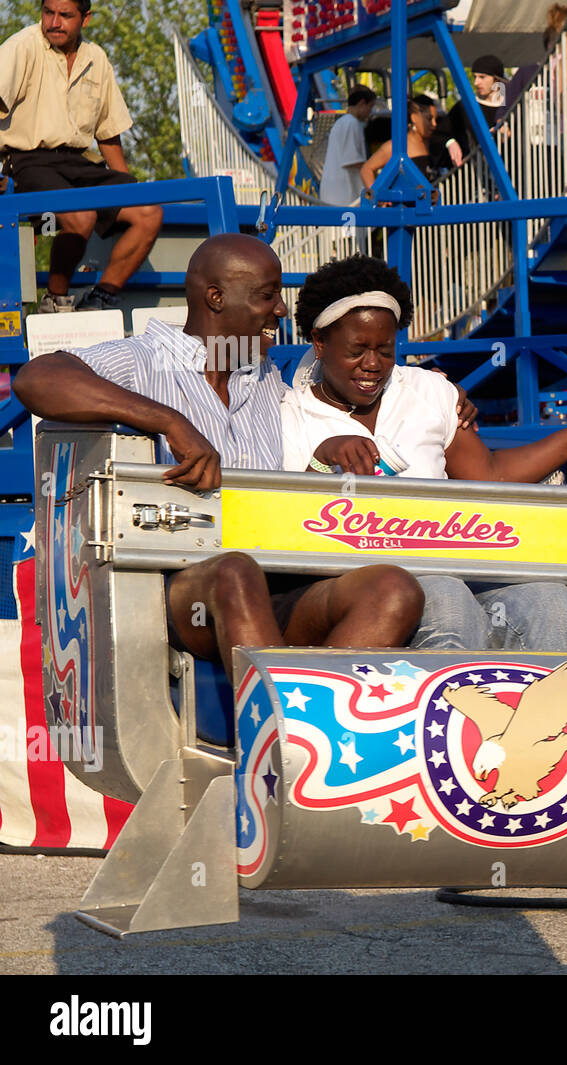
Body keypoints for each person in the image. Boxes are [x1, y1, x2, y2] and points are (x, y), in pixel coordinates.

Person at [13, 233, 424, 679]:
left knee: (393, 587)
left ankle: (316, 724)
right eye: (268, 296)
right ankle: (274, 728)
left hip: (274, 582)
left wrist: (436, 400)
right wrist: (169, 420)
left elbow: (333, 405)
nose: (281, 310)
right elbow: (38, 378)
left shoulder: (265, 376)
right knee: (234, 571)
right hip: (178, 590)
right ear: (216, 297)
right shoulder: (146, 359)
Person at [281, 254, 567, 652]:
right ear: (319, 343)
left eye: (385, 350)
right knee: (448, 601)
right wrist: (322, 458)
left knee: (553, 602)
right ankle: (451, 711)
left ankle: (560, 708)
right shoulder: (291, 414)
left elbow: (489, 475)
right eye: (357, 350)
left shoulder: (428, 391)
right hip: (370, 585)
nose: (372, 365)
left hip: (457, 563)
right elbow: (286, 528)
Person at [0, 0, 163, 312]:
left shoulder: (96, 58)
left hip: (77, 164)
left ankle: (101, 297)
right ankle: (56, 299)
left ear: (85, 18)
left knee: (148, 211)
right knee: (81, 214)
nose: (55, 22)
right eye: (49, 12)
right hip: (25, 161)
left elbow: (108, 133)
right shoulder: (22, 46)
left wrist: (128, 190)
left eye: (65, 15)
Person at [360, 94, 460, 194]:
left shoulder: (435, 142)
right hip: (403, 208)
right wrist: (378, 198)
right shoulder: (395, 146)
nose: (434, 124)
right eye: (429, 118)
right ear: (414, 118)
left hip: (434, 206)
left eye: (436, 119)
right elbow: (366, 169)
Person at [318, 85, 376, 206]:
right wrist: (374, 167)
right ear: (362, 103)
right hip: (344, 194)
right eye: (370, 107)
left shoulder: (342, 122)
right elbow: (352, 160)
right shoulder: (352, 123)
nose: (370, 112)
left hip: (335, 192)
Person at [448, 55, 507, 160]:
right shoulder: (465, 106)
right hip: (473, 172)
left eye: (482, 77)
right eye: (475, 77)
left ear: (496, 79)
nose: (476, 83)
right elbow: (442, 133)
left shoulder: (512, 105)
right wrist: (450, 142)